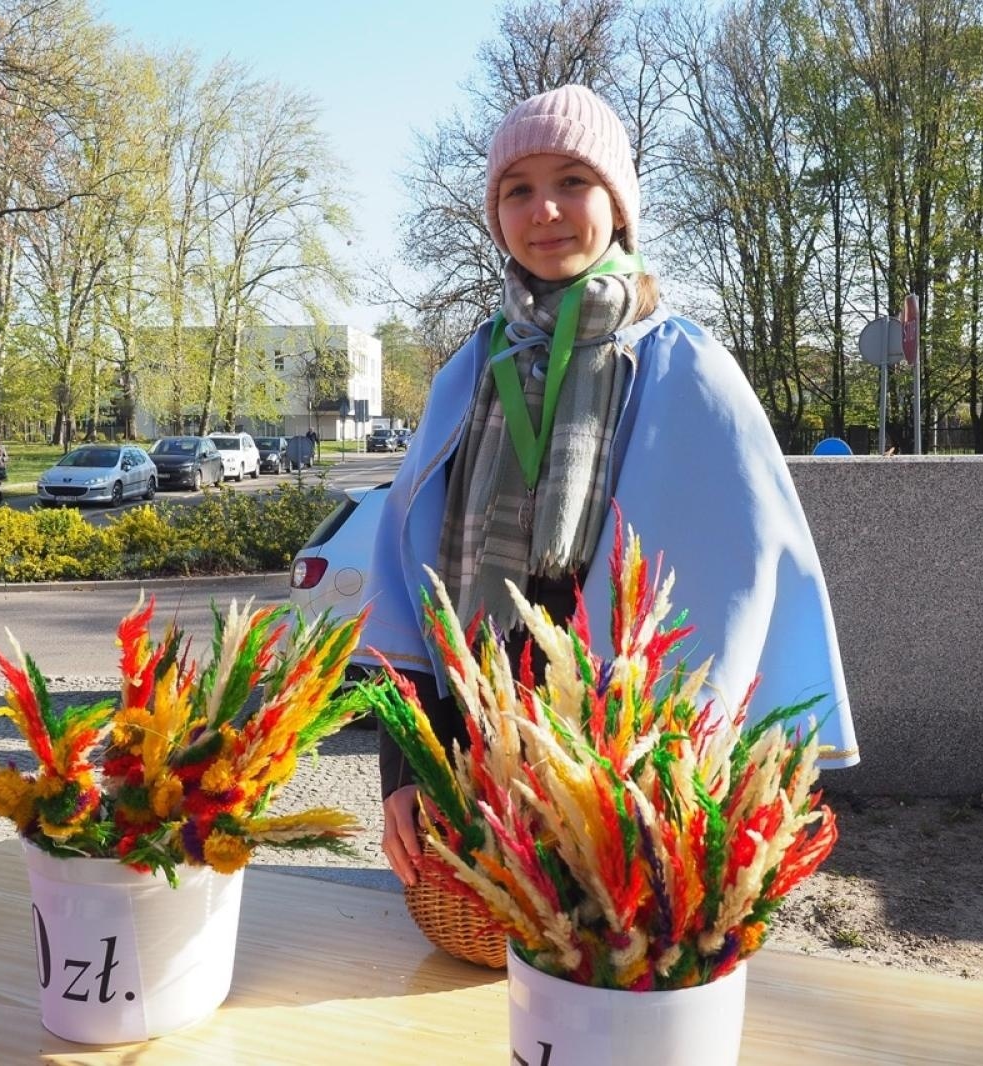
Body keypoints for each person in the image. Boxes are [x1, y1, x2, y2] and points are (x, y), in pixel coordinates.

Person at [357, 84, 860, 887]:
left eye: (572, 182)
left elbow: (729, 591)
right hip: (475, 750)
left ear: (619, 207)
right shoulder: (472, 371)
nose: (544, 209)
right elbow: (410, 579)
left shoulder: (683, 367)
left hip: (620, 766)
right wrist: (407, 766)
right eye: (517, 190)